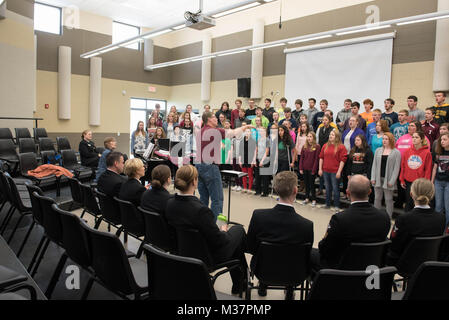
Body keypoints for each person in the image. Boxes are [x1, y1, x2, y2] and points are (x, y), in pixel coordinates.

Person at [165, 165, 248, 294]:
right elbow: (219, 241)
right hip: (206, 257)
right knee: (238, 230)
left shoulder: (170, 203)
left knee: (234, 244)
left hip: (183, 250)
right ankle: (241, 282)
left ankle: (240, 282)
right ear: (194, 181)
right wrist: (224, 231)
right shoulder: (201, 211)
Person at [247, 171, 314, 299]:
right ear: (295, 190)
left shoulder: (259, 216)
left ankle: (263, 285)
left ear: (275, 189)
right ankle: (289, 288)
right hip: (294, 274)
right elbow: (306, 255)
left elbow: (250, 247)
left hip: (262, 271)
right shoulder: (306, 225)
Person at [312, 175, 390, 269]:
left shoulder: (340, 219)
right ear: (369, 192)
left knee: (311, 254)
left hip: (343, 271)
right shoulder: (384, 217)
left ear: (347, 193)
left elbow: (325, 248)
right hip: (372, 268)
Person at [195, 112, 253, 219]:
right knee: (217, 199)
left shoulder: (200, 132)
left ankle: (202, 222)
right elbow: (233, 133)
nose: (217, 119)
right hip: (210, 167)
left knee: (203, 198)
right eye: (214, 117)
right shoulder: (214, 131)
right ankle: (215, 225)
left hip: (199, 166)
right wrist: (246, 127)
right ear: (208, 120)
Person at [386, 178, 445, 266]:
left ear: (411, 194)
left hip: (406, 264)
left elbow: (394, 246)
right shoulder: (441, 218)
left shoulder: (404, 219)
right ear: (432, 195)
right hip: (431, 262)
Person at [400, 131, 433, 212]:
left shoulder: (427, 152)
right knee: (408, 202)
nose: (414, 139)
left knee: (417, 204)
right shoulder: (407, 151)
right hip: (408, 181)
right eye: (413, 137)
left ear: (421, 139)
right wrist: (402, 179)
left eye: (416, 137)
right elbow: (403, 166)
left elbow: (428, 169)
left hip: (419, 183)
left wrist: (425, 183)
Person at [371, 133, 401, 218]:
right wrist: (373, 177)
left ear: (391, 140)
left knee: (388, 199)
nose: (384, 140)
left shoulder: (396, 152)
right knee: (377, 198)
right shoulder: (378, 150)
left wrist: (392, 181)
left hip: (388, 180)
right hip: (377, 178)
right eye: (383, 139)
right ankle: (376, 216)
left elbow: (396, 168)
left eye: (386, 139)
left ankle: (388, 217)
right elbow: (374, 165)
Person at [318, 130, 347, 211]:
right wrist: (320, 169)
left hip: (335, 171)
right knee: (327, 188)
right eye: (330, 134)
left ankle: (336, 205)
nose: (330, 136)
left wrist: (339, 171)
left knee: (335, 188)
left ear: (337, 136)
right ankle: (327, 204)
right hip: (325, 170)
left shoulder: (341, 147)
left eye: (333, 135)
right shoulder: (325, 146)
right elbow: (321, 157)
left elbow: (343, 160)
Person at [299, 132, 321, 207]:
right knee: (306, 184)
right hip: (305, 168)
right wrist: (301, 168)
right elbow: (301, 158)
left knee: (312, 184)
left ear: (314, 138)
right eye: (308, 136)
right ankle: (307, 198)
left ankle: (314, 199)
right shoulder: (304, 146)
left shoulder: (317, 146)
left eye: (310, 136)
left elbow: (316, 159)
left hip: (312, 169)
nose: (309, 138)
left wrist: (314, 170)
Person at [432, 133, 449, 224]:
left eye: (445, 140)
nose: (442, 141)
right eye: (441, 140)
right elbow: (434, 168)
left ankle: (446, 228)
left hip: (448, 183)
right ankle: (437, 226)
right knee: (438, 206)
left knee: (447, 207)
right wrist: (432, 181)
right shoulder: (439, 153)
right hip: (438, 182)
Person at [238, 126, 257, 193]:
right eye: (246, 131)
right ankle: (245, 188)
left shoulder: (253, 141)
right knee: (244, 175)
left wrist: (253, 160)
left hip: (250, 159)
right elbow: (240, 152)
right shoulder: (241, 141)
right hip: (243, 159)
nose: (247, 133)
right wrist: (240, 160)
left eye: (248, 131)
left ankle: (249, 188)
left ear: (250, 133)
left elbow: (255, 151)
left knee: (250, 175)